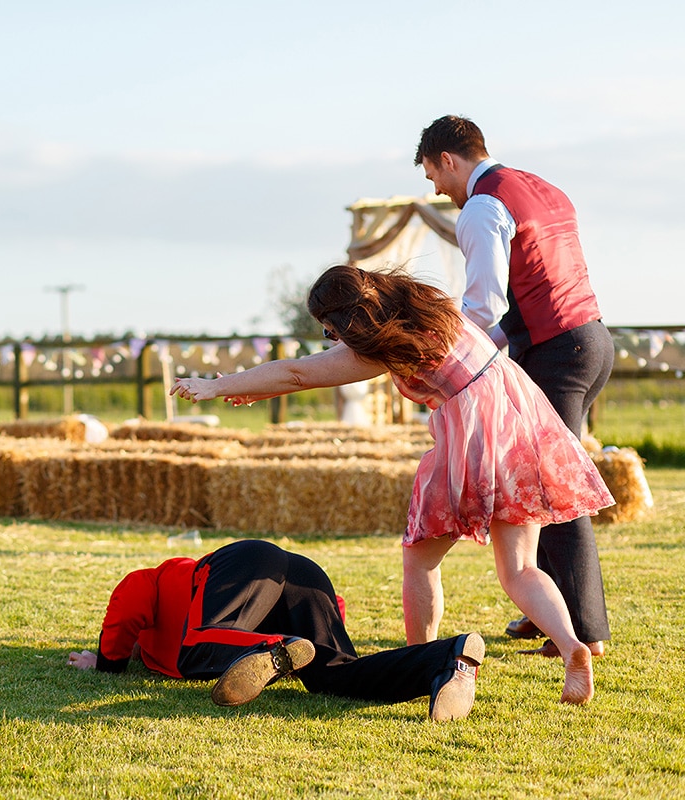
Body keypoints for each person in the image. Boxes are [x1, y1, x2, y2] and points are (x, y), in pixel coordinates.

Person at [171, 265, 612, 705]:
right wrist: (253, 390)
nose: (333, 342)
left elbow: (299, 373)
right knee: (519, 568)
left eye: (330, 331)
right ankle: (573, 646)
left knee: (419, 559)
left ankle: (422, 660)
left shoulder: (384, 346)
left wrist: (216, 385)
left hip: (476, 435)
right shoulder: (431, 311)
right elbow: (302, 374)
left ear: (345, 320)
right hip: (519, 424)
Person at [414, 115, 613, 658]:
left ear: (447, 160)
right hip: (591, 340)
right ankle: (547, 615)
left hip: (555, 353)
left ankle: (585, 632)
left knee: (553, 493)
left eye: (432, 174)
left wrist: (443, 366)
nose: (435, 188)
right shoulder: (542, 189)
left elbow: (482, 307)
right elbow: (529, 299)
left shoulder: (480, 207)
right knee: (543, 484)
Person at [67, 539, 484, 721]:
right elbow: (331, 610)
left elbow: (125, 608)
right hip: (303, 574)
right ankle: (450, 657)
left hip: (245, 562)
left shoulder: (161, 577)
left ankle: (279, 650)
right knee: (335, 675)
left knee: (194, 650)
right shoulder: (169, 641)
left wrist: (106, 663)